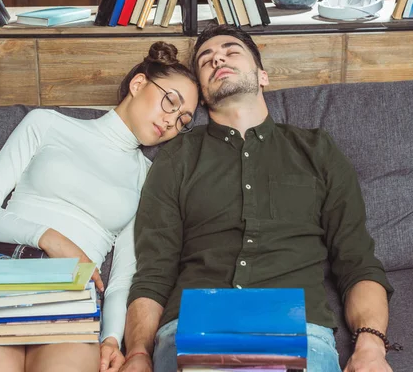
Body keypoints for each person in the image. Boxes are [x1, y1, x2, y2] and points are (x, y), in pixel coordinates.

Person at [121, 24, 396, 372]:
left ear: (262, 76)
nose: (217, 57)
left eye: (231, 51)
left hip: (298, 335)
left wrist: (371, 348)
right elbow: (153, 273)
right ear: (203, 95)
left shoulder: (316, 150)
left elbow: (357, 261)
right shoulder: (177, 157)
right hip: (193, 332)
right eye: (205, 59)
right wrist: (138, 354)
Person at [0, 41, 199, 372]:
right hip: (2, 272)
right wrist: (50, 238)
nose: (171, 122)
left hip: (71, 291)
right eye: (170, 102)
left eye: (183, 120)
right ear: (139, 84)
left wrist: (111, 338)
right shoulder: (47, 124)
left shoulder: (149, 177)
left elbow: (125, 274)